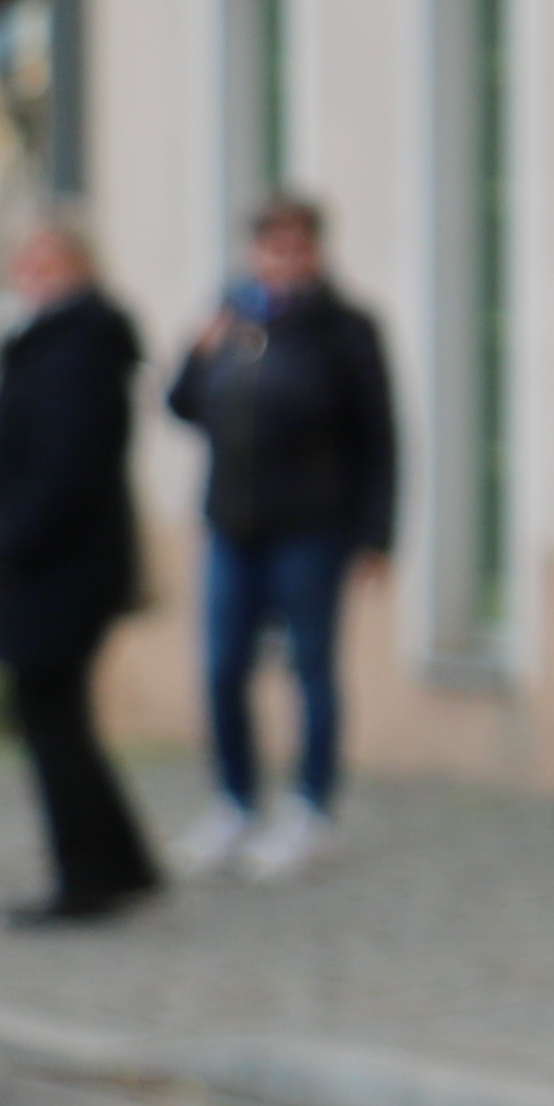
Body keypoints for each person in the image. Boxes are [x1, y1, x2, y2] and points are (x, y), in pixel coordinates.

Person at [161, 187, 394, 881]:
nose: (282, 257)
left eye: (295, 244)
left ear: (315, 251)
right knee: (223, 667)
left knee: (310, 667)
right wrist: (197, 353)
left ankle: (309, 807)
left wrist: (376, 533)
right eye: (270, 244)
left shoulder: (345, 329)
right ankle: (234, 801)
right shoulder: (234, 320)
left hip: (312, 527)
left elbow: (378, 436)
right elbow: (182, 407)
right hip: (234, 524)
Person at [0, 210, 158, 926]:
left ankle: (86, 873)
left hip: (60, 562)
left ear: (81, 266)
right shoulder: (52, 340)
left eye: (48, 261)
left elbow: (65, 466)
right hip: (53, 556)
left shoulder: (78, 345)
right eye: (27, 260)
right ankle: (121, 859)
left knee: (51, 717)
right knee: (60, 717)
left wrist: (16, 549)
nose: (32, 274)